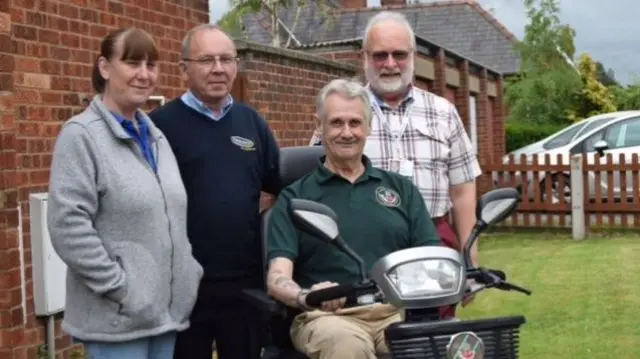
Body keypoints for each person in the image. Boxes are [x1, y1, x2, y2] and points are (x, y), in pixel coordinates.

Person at [311, 11, 482, 316]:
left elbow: (463, 190)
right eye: (380, 55)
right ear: (364, 57)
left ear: (413, 56)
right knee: (369, 333)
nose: (390, 64)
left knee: (432, 337)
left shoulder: (443, 112)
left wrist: (470, 260)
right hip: (363, 246)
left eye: (399, 54)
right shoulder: (343, 114)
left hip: (431, 242)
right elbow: (317, 186)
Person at [47, 28, 203, 359]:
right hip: (116, 322)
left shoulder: (155, 137)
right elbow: (68, 226)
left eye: (151, 65)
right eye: (132, 63)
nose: (144, 75)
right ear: (105, 68)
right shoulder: (81, 136)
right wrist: (122, 288)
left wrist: (188, 272)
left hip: (164, 316)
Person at [267, 78, 441, 359]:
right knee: (349, 347)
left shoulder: (401, 190)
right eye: (336, 123)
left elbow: (430, 259)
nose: (346, 132)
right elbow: (277, 278)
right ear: (319, 126)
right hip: (326, 318)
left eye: (355, 123)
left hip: (392, 313)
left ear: (368, 127)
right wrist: (308, 295)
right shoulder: (294, 198)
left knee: (432, 345)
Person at [148, 24, 282, 359]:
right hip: (182, 285)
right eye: (207, 60)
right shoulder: (160, 126)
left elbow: (281, 185)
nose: (219, 68)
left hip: (245, 283)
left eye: (226, 59)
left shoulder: (251, 122)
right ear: (184, 69)